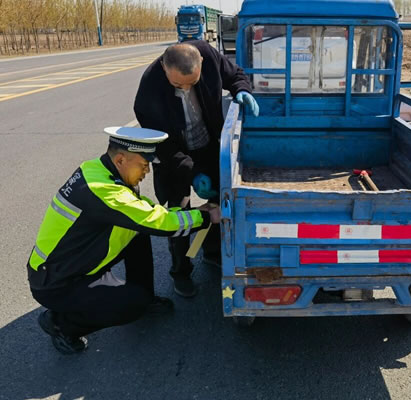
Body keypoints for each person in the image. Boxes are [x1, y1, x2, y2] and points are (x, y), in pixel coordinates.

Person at [27, 126, 220, 355]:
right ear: (120, 159)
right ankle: (60, 325)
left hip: (76, 262)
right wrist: (205, 217)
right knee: (131, 305)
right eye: (144, 164)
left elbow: (146, 212)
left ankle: (145, 297)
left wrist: (196, 212)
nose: (147, 171)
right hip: (56, 282)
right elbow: (160, 222)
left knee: (137, 231)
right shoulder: (102, 190)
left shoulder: (98, 169)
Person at [134, 41, 259, 298]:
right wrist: (192, 173)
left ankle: (212, 252)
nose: (186, 89)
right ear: (164, 68)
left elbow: (235, 75)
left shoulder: (209, 56)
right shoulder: (149, 89)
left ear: (201, 62)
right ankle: (181, 271)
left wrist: (242, 90)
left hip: (207, 144)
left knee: (217, 203)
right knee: (178, 214)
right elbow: (163, 146)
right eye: (178, 85)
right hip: (172, 155)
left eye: (192, 82)